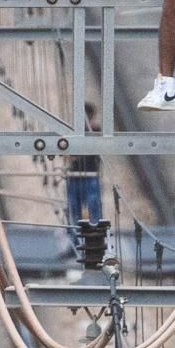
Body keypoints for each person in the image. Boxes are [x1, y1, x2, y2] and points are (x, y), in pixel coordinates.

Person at [65, 101, 103, 251]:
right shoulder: (74, 132)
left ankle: (95, 240)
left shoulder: (96, 131)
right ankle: (75, 242)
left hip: (90, 175)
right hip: (76, 176)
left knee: (93, 207)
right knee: (74, 209)